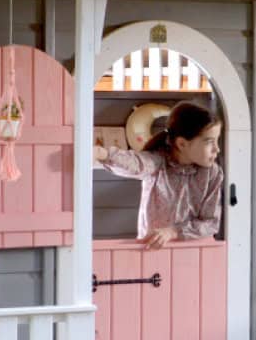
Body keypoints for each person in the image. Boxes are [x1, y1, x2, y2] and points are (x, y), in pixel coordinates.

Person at [95, 101, 224, 250]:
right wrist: (102, 154)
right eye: (209, 142)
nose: (217, 149)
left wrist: (173, 232)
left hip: (195, 253)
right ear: (182, 143)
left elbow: (210, 223)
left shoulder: (212, 173)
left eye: (217, 141)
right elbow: (136, 163)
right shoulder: (157, 163)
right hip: (154, 251)